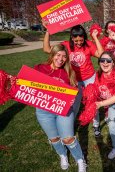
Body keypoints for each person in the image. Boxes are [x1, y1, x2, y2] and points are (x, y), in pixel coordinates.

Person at [43, 24, 104, 137]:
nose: (79, 43)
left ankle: (96, 125)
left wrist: (95, 38)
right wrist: (47, 31)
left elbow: (101, 54)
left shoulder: (88, 44)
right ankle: (70, 124)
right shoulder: (66, 46)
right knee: (74, 104)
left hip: (89, 78)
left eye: (81, 40)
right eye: (76, 41)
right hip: (74, 80)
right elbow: (47, 49)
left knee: (92, 102)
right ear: (72, 38)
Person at [34, 44, 86, 172]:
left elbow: (74, 90)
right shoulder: (40, 68)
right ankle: (63, 155)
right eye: (58, 55)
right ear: (52, 55)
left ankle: (80, 160)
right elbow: (27, 84)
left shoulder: (68, 72)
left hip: (63, 111)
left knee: (68, 138)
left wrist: (73, 97)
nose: (61, 59)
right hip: (44, 111)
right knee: (54, 138)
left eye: (64, 56)